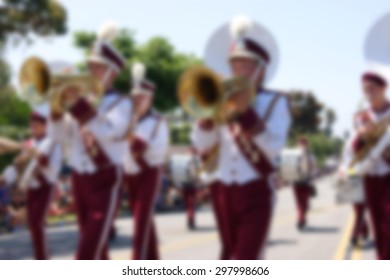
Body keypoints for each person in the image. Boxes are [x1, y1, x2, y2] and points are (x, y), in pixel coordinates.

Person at [192, 15, 291, 260]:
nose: (238, 70)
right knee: (227, 255)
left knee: (246, 259)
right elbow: (202, 146)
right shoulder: (221, 101)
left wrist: (245, 113)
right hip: (223, 188)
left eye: (246, 65)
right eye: (235, 64)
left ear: (260, 70)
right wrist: (205, 120)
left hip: (256, 189)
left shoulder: (276, 101)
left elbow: (275, 146)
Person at [48, 22, 132, 260]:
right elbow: (59, 136)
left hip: (104, 178)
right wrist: (55, 111)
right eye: (90, 65)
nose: (91, 70)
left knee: (86, 252)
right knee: (97, 250)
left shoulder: (122, 103)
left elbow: (108, 130)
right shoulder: (81, 101)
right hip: (78, 177)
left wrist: (77, 104)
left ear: (112, 72)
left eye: (98, 66)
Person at [338, 68, 390, 258]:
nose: (369, 92)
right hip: (369, 178)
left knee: (388, 226)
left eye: (373, 88)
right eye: (365, 88)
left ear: (384, 87)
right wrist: (344, 167)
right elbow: (352, 147)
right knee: (378, 228)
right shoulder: (361, 117)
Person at [0, 104, 62, 259]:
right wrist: (5, 178)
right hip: (31, 189)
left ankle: (43, 258)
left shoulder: (53, 142)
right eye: (32, 123)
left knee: (37, 223)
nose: (33, 126)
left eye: (37, 123)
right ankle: (42, 257)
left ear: (45, 124)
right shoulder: (29, 144)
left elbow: (53, 169)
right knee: (34, 225)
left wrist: (37, 156)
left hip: (45, 187)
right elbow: (17, 165)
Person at [123, 62, 169, 260]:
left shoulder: (158, 121)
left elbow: (157, 153)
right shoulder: (124, 118)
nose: (137, 101)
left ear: (150, 99)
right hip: (128, 174)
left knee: (140, 221)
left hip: (148, 174)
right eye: (134, 97)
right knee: (143, 219)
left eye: (141, 97)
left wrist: (135, 140)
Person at [292, 138, 317, 231]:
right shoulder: (310, 155)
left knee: (300, 203)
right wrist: (313, 181)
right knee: (304, 203)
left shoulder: (293, 154)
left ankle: (302, 219)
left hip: (296, 182)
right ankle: (300, 220)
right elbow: (314, 169)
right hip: (306, 182)